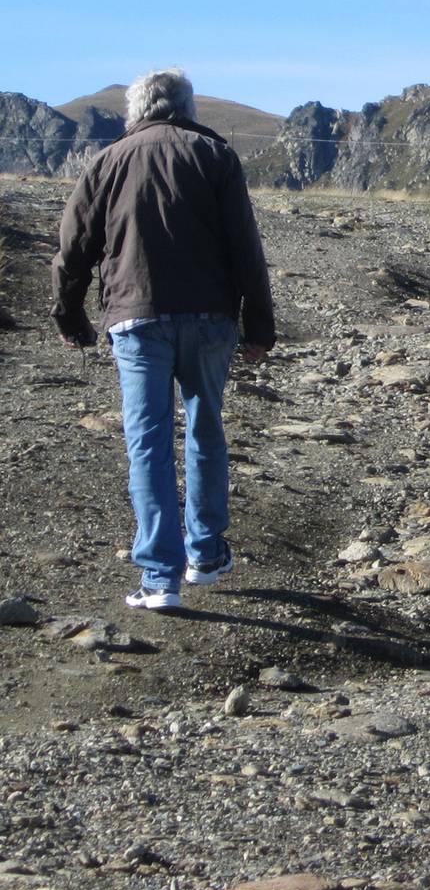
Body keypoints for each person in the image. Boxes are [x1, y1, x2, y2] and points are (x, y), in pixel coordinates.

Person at [51, 69, 276, 611]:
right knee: (205, 428)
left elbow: (74, 246)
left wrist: (70, 316)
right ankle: (205, 552)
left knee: (147, 442)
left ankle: (159, 578)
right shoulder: (215, 157)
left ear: (137, 110)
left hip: (135, 316)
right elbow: (245, 246)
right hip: (210, 318)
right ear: (187, 106)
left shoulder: (106, 162)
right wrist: (260, 326)